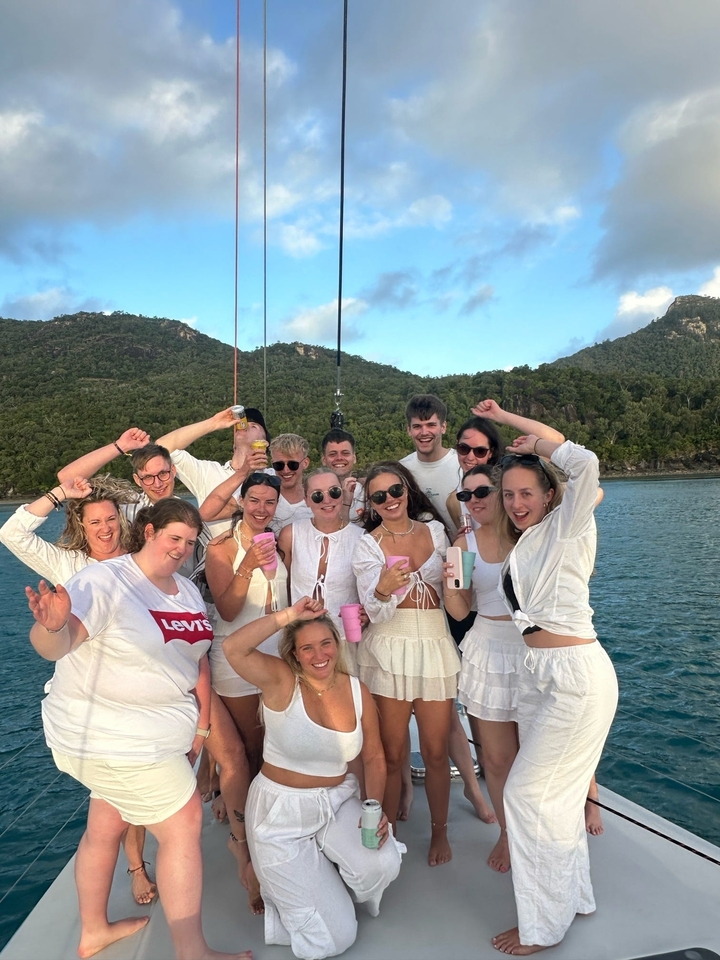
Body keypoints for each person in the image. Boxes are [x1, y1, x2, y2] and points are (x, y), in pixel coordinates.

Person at [25, 499, 251, 960]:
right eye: (174, 538)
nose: (182, 550)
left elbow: (196, 660)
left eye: (190, 543)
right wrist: (50, 628)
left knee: (105, 825)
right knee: (184, 823)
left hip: (147, 739)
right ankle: (192, 952)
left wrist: (202, 726)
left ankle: (93, 931)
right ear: (147, 532)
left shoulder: (185, 591)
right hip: (114, 739)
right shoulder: (104, 581)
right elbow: (60, 641)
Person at [0, 474, 160, 906]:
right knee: (109, 800)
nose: (105, 528)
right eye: (94, 522)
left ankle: (137, 865)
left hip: (144, 693)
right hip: (94, 697)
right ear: (80, 525)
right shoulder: (68, 566)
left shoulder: (141, 562)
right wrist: (59, 493)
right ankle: (135, 869)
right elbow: (12, 533)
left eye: (110, 518)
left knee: (139, 790)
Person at [491, 437, 618, 955]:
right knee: (558, 801)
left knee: (525, 796)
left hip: (575, 679)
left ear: (549, 494)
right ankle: (576, 897)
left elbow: (586, 463)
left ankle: (542, 927)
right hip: (540, 675)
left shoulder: (570, 524)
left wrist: (518, 428)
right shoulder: (530, 539)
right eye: (508, 495)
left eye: (526, 493)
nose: (516, 503)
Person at [222, 597, 403, 960]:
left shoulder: (356, 690)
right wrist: (289, 615)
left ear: (337, 644)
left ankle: (319, 875)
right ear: (294, 653)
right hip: (281, 816)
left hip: (337, 802)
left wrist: (376, 809)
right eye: (307, 648)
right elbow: (233, 648)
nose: (319, 655)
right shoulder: (281, 681)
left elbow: (374, 756)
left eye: (326, 643)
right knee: (334, 940)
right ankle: (265, 870)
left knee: (382, 864)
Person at [352, 461, 462, 866]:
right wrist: (381, 590)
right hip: (389, 645)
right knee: (394, 754)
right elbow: (375, 613)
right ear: (371, 503)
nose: (389, 500)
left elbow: (454, 584)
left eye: (395, 490)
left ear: (406, 488)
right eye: (378, 496)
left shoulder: (433, 529)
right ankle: (389, 835)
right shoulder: (368, 545)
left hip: (434, 641)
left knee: (435, 752)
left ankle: (439, 832)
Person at [443, 465, 524, 874]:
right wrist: (454, 583)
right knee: (495, 759)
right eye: (465, 495)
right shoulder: (462, 546)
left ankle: (547, 827)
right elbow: (459, 610)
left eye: (483, 491)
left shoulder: (531, 533)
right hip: (488, 646)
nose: (474, 499)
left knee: (538, 750)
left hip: (533, 648)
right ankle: (509, 833)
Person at [204, 472, 288, 776]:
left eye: (270, 502)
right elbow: (227, 610)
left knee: (277, 744)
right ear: (241, 501)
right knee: (252, 749)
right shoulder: (220, 547)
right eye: (254, 500)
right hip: (235, 660)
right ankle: (250, 819)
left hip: (278, 656)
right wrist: (247, 565)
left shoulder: (280, 543)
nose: (261, 509)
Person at [277, 467, 364, 670]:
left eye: (334, 492)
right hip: (300, 640)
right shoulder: (291, 534)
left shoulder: (361, 538)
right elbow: (283, 586)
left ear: (341, 494)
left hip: (345, 640)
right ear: (306, 500)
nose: (327, 500)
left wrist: (365, 615)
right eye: (317, 496)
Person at [157, 406, 271, 536]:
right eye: (241, 425)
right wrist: (214, 423)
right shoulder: (207, 472)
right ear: (233, 445)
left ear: (264, 444)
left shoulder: (274, 476)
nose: (244, 427)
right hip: (214, 555)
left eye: (254, 426)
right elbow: (162, 446)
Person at [400, 394, 460, 535]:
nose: (424, 432)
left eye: (431, 425)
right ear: (409, 430)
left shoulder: (462, 464)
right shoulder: (402, 470)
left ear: (443, 427)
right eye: (417, 426)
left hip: (462, 551)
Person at [267, 433, 313, 532]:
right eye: (279, 465)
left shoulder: (318, 499)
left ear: (305, 463)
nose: (286, 470)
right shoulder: (262, 492)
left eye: (293, 464)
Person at [321, 428, 365, 520]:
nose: (339, 458)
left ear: (354, 458)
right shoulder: (315, 496)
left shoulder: (367, 493)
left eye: (345, 453)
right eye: (333, 454)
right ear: (324, 460)